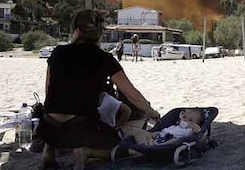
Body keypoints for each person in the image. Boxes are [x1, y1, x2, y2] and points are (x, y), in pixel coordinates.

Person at [39, 9, 160, 169]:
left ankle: (49, 151)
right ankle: (87, 152)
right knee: (117, 146)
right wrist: (152, 112)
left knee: (57, 121)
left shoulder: (57, 53)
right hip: (81, 128)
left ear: (76, 31)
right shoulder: (104, 59)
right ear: (99, 34)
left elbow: (48, 91)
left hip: (48, 128)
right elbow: (132, 94)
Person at [133, 108, 204, 146]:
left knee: (176, 140)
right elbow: (181, 114)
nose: (186, 120)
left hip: (169, 140)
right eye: (184, 117)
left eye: (191, 120)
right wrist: (183, 115)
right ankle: (146, 146)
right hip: (159, 135)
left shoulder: (189, 130)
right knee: (139, 133)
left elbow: (198, 130)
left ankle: (152, 147)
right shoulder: (178, 124)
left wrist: (193, 125)